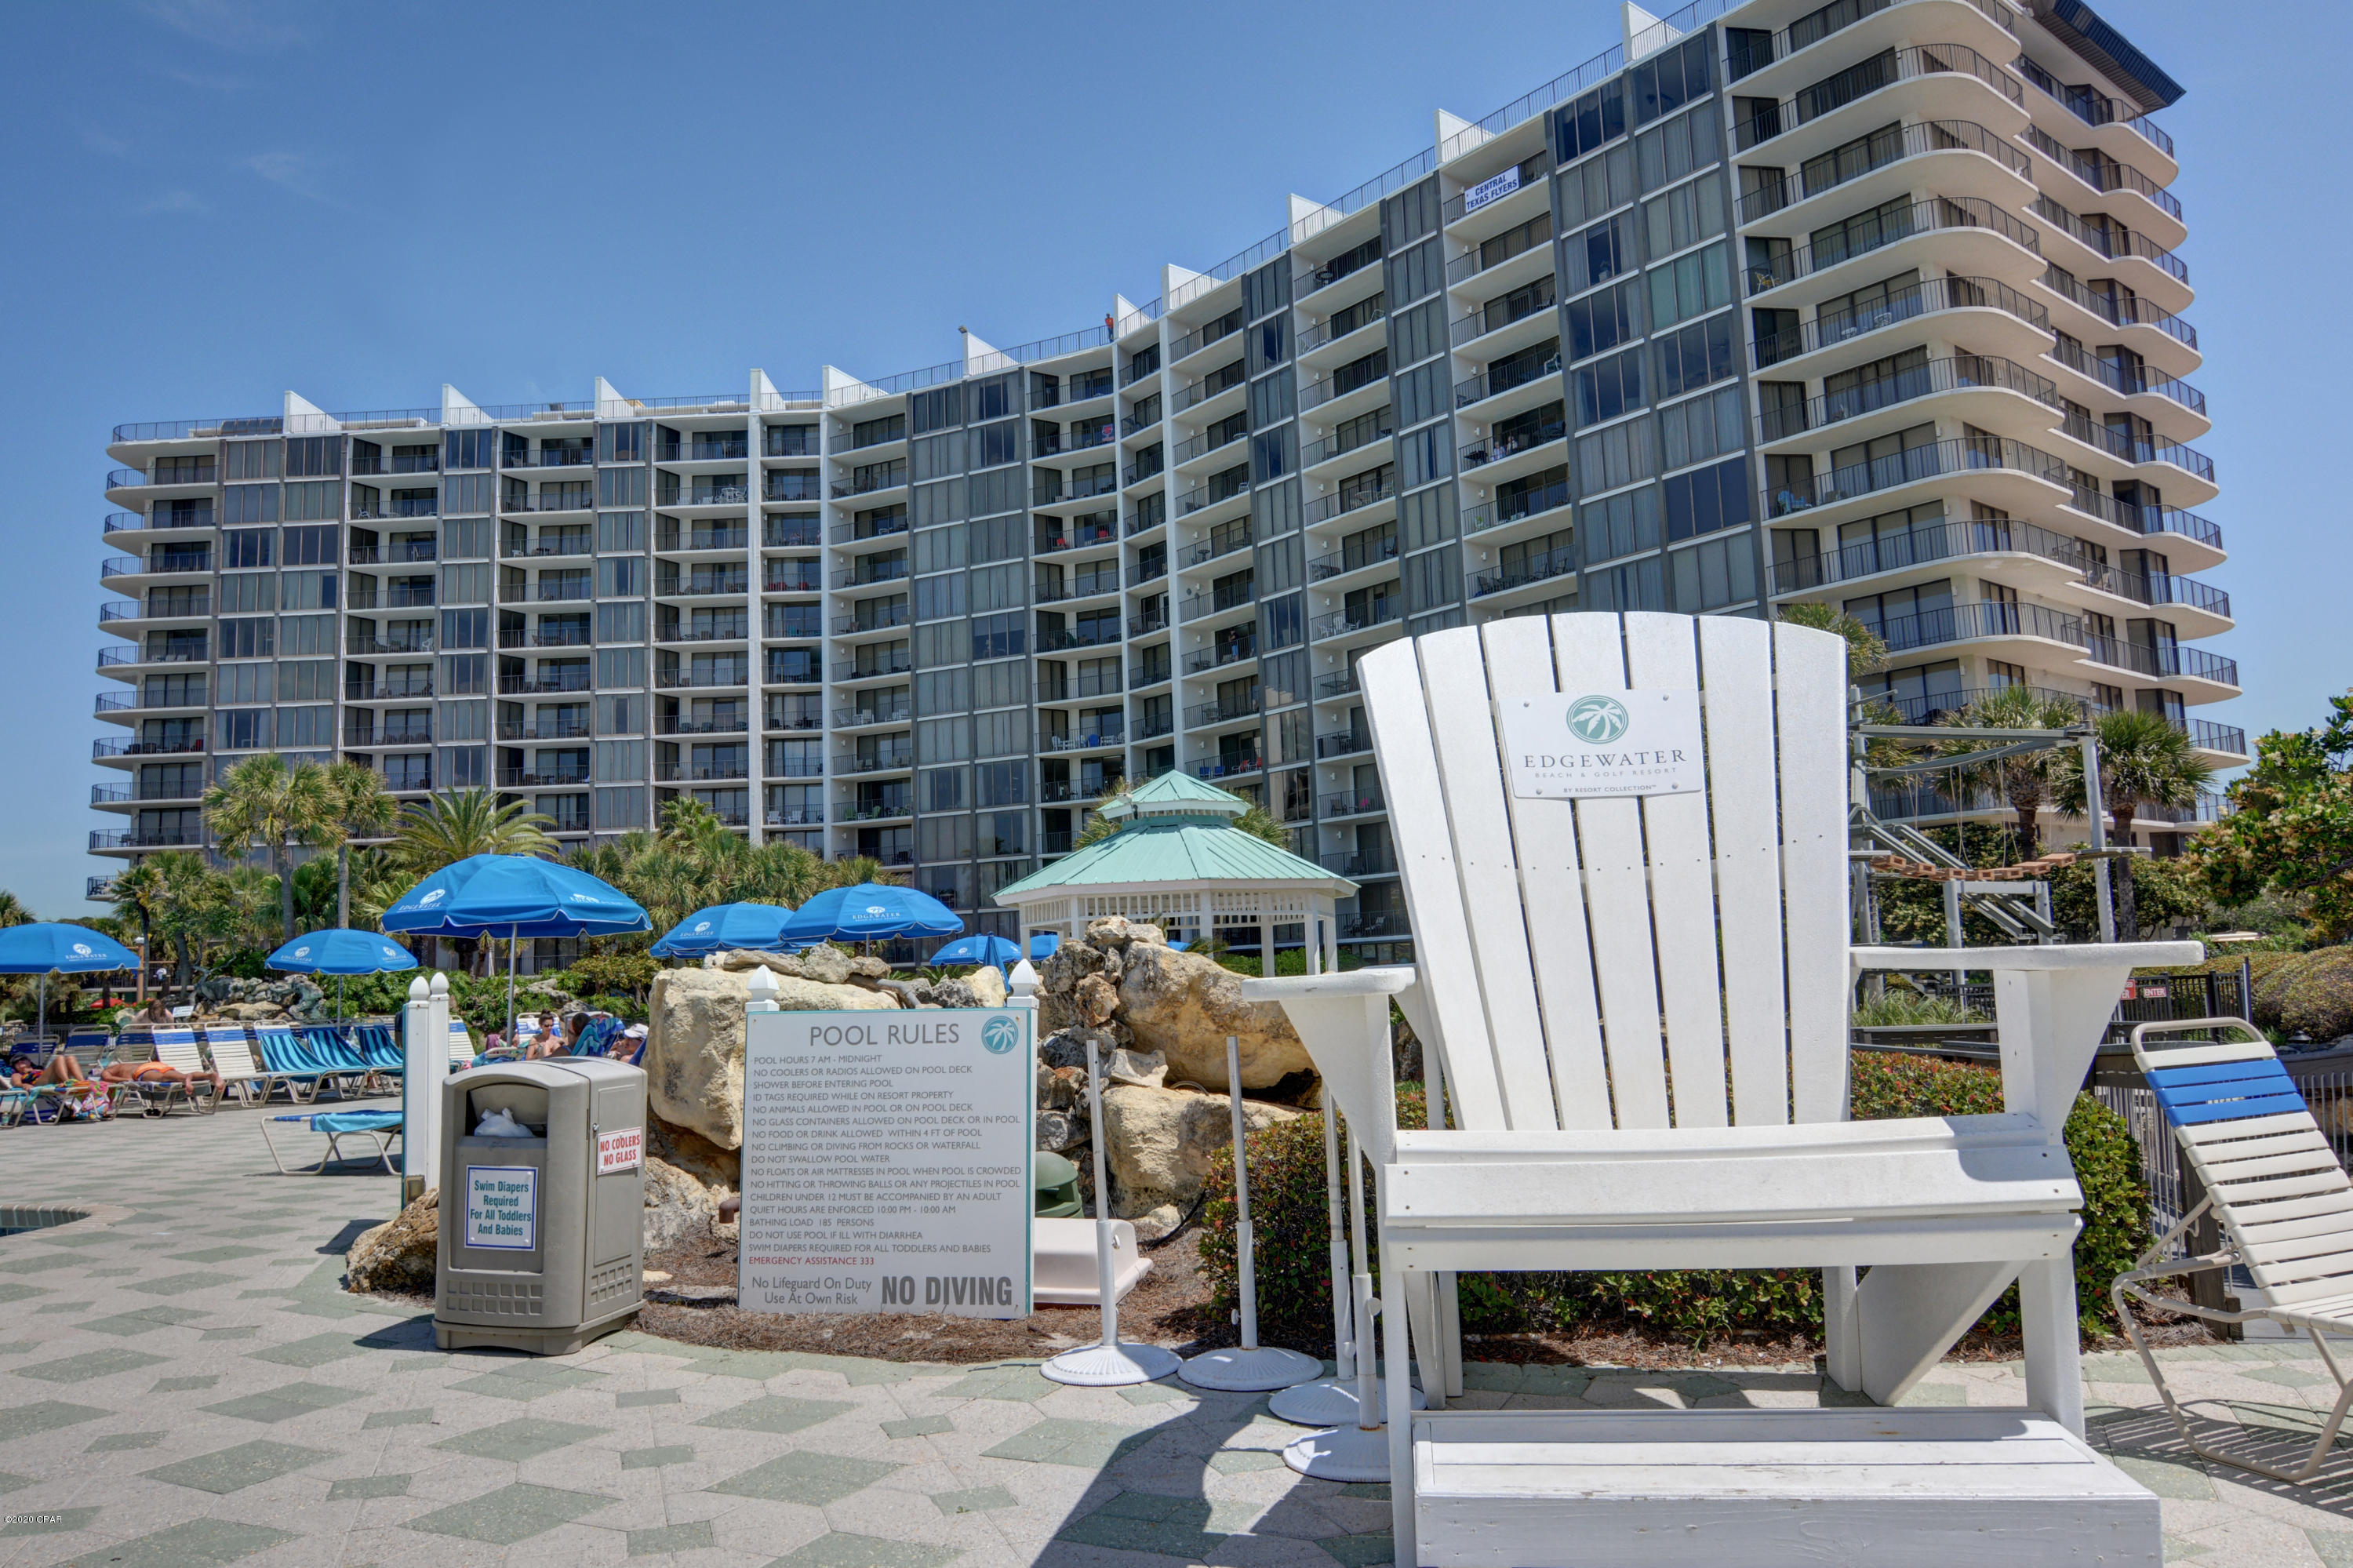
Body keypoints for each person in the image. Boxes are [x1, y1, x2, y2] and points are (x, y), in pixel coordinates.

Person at [97, 1058, 223, 1100]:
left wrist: (123, 1081)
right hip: (155, 1065)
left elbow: (106, 1076)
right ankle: (209, 1076)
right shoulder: (125, 1065)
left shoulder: (111, 1069)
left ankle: (186, 1078)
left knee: (163, 1077)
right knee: (172, 1075)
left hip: (141, 1072)